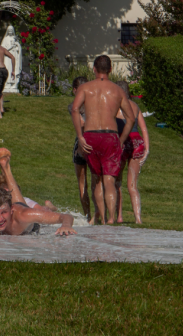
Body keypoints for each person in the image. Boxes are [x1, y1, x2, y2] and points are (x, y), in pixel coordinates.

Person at [71, 55, 135, 225]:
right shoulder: (118, 90)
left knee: (96, 179)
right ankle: (112, 219)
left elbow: (75, 109)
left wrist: (80, 135)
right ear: (111, 69)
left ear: (94, 69)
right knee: (109, 180)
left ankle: (104, 219)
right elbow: (130, 118)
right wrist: (121, 139)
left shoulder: (85, 88)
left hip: (91, 135)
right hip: (110, 135)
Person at [114, 81, 150, 224]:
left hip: (123, 142)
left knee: (117, 182)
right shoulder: (135, 106)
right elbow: (144, 129)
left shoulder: (115, 107)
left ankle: (119, 216)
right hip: (137, 142)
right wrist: (147, 149)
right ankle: (138, 219)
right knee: (133, 185)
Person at [68, 76, 96, 224]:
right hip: (83, 144)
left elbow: (83, 122)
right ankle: (88, 216)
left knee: (92, 182)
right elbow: (83, 123)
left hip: (85, 143)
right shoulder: (75, 107)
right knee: (84, 183)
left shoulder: (75, 107)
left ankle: (94, 216)